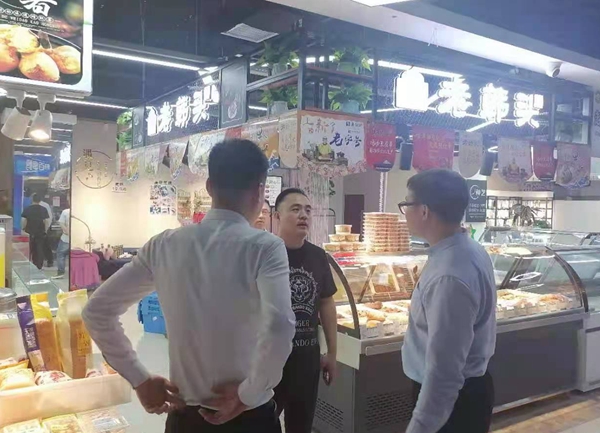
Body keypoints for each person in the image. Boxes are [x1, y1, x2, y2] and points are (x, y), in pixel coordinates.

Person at [83, 139, 296, 433]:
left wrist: (140, 379)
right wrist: (248, 393)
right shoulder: (266, 247)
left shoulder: (164, 245)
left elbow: (96, 311)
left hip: (186, 416)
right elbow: (280, 325)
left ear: (209, 186)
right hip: (248, 416)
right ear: (260, 191)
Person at [398, 169, 496, 433]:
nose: (404, 212)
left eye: (407, 204)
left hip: (452, 405)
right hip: (465, 392)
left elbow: (444, 373)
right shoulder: (468, 249)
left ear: (424, 211)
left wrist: (419, 427)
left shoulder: (449, 276)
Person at [273, 188, 338, 433]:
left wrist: (332, 353)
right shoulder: (266, 254)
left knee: (301, 426)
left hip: (306, 359)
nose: (304, 215)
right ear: (277, 215)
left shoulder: (318, 256)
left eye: (308, 210)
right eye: (295, 209)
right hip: (270, 359)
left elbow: (326, 304)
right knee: (263, 423)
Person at [21, 193, 51, 270]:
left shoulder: (27, 209)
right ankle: (39, 266)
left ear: (32, 200)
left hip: (29, 232)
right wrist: (45, 230)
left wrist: (23, 229)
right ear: (40, 200)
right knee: (39, 249)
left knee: (30, 249)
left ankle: (29, 263)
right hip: (40, 232)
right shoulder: (43, 209)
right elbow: (46, 221)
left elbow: (24, 220)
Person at [52, 206, 70, 279]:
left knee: (60, 254)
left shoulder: (66, 212)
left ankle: (60, 273)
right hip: (77, 239)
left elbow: (61, 223)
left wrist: (67, 232)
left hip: (66, 238)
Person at [39, 196, 54, 268]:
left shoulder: (45, 205)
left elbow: (49, 218)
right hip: (40, 229)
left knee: (46, 246)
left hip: (44, 228)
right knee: (41, 246)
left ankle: (50, 261)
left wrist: (46, 229)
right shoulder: (32, 205)